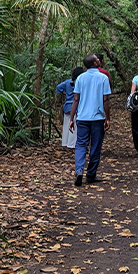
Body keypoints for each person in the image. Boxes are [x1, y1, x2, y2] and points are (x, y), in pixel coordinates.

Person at [70, 55, 112, 186]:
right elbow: (106, 100)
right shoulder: (103, 78)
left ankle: (79, 170)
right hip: (97, 118)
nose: (99, 60)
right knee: (95, 145)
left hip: (82, 117)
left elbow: (75, 99)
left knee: (81, 144)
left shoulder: (80, 78)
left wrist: (72, 118)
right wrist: (108, 117)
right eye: (97, 59)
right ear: (94, 63)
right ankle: (91, 175)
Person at [56, 66, 84, 149]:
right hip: (76, 106)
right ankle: (72, 145)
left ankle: (65, 143)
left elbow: (58, 88)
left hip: (67, 106)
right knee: (74, 126)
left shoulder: (68, 82)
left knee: (66, 125)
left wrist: (64, 92)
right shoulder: (80, 82)